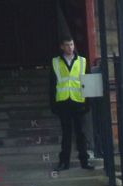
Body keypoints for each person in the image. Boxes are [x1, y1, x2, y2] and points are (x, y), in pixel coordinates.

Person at [50, 37, 93, 171]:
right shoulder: (55, 62)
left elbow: (87, 82)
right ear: (62, 47)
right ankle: (64, 162)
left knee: (81, 133)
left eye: (72, 44)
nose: (70, 47)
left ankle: (84, 161)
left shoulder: (82, 61)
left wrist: (88, 102)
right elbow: (52, 85)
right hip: (63, 102)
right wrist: (53, 104)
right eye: (67, 45)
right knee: (66, 134)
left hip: (78, 101)